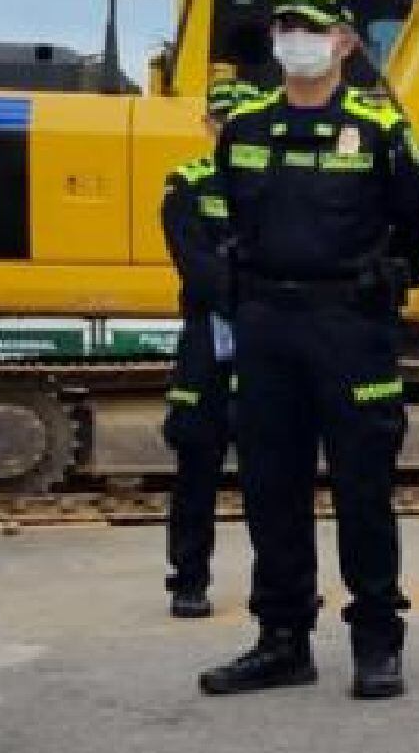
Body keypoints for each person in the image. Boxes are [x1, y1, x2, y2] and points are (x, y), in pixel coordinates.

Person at [198, 0, 419, 700]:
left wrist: (382, 291)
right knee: (271, 489)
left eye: (312, 27)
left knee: (364, 490)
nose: (296, 38)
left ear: (343, 43)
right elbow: (225, 225)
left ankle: (376, 643)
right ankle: (281, 640)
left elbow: (416, 230)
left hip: (350, 328)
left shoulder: (379, 129)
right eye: (285, 26)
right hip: (267, 327)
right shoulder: (243, 130)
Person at [161, 76, 261, 619]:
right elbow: (196, 266)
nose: (231, 129)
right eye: (224, 120)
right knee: (197, 464)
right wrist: (254, 297)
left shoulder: (276, 184)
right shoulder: (187, 185)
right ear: (210, 124)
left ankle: (281, 581)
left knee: (275, 471)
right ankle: (188, 579)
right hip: (211, 342)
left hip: (268, 343)